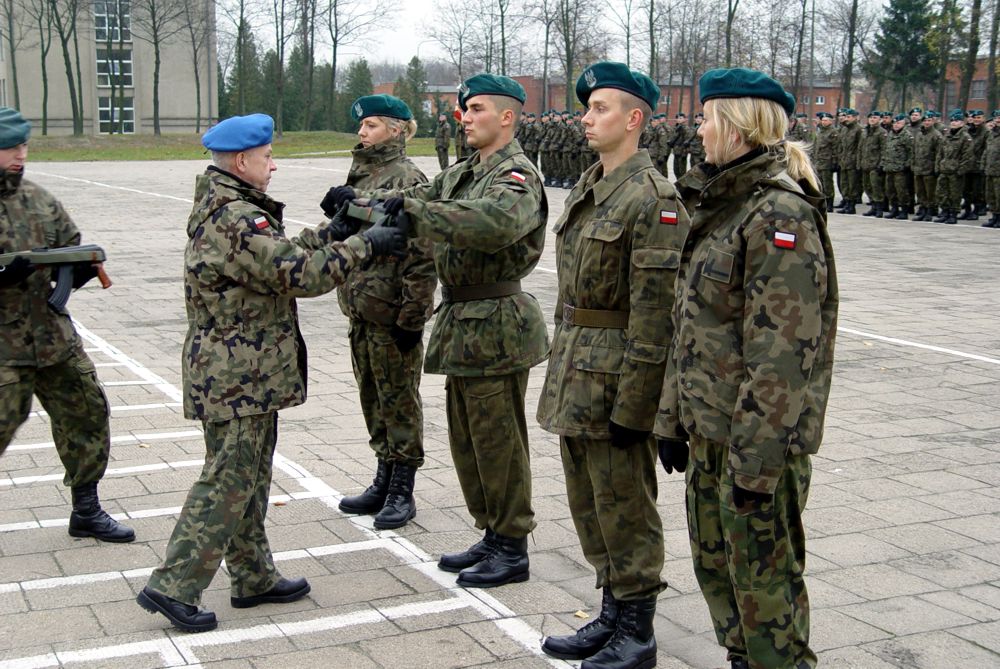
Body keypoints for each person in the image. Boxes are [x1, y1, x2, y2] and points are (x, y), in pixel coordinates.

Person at [137, 113, 405, 633]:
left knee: (250, 476)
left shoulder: (237, 209)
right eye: (267, 158)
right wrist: (366, 244)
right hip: (237, 374)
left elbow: (279, 256)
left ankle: (253, 575)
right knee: (228, 479)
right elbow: (299, 275)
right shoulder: (235, 216)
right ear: (242, 162)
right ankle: (173, 585)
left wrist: (337, 229)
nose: (274, 165)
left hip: (247, 371)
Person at [325, 74, 549, 589]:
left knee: (498, 442)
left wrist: (411, 211)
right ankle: (492, 532)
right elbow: (409, 202)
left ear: (507, 116)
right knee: (469, 441)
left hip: (497, 321)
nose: (464, 117)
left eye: (475, 109)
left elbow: (492, 223)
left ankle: (512, 544)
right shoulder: (463, 172)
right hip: (464, 323)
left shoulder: (514, 176)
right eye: (463, 109)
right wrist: (355, 206)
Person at [654, 68, 838, 669]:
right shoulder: (721, 206)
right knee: (718, 574)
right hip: (710, 430)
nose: (698, 127)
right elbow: (688, 326)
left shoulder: (777, 217)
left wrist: (755, 466)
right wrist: (670, 417)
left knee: (765, 596)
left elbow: (782, 358)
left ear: (736, 126)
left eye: (707, 117)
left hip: (752, 444)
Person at [536, 61, 690, 669]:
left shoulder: (653, 199)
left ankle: (638, 629)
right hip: (576, 370)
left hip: (617, 379)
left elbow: (657, 317)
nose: (586, 116)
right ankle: (610, 610)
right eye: (587, 107)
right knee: (588, 501)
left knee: (625, 505)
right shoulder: (589, 185)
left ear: (634, 119)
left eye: (600, 107)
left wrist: (639, 406)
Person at [0, 106, 135, 544]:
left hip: (55, 337)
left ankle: (87, 509)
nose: (20, 154)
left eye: (23, 145)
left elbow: (71, 246)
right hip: (3, 347)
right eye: (10, 147)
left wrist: (74, 273)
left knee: (87, 414)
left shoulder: (39, 199)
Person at [330, 95, 436, 530]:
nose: (362, 133)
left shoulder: (409, 178)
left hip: (392, 314)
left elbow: (422, 252)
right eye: (362, 126)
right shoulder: (365, 173)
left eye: (371, 125)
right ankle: (383, 475)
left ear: (395, 129)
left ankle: (402, 489)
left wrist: (413, 315)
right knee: (372, 396)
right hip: (362, 309)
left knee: (399, 402)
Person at [934, 110, 975, 225]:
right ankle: (945, 212)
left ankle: (953, 214)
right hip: (944, 169)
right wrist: (938, 166)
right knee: (942, 192)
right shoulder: (946, 136)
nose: (953, 123)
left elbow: (968, 156)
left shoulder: (965, 137)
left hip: (955, 171)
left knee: (955, 194)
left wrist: (960, 171)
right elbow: (940, 153)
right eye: (952, 120)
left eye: (956, 121)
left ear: (962, 123)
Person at [912, 111, 942, 221]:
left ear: (933, 121)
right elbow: (914, 151)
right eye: (925, 120)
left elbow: (939, 153)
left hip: (929, 168)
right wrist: (913, 164)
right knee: (920, 191)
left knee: (930, 192)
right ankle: (923, 209)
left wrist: (936, 167)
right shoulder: (919, 134)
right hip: (919, 167)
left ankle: (930, 210)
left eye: (929, 120)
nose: (927, 122)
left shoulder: (936, 135)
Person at [883, 114, 914, 219]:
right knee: (890, 190)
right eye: (895, 123)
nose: (896, 125)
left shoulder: (906, 135)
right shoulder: (890, 134)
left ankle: (904, 210)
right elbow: (886, 150)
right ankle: (894, 209)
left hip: (900, 169)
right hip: (889, 167)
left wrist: (907, 165)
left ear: (904, 124)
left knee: (901, 191)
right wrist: (884, 163)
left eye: (899, 123)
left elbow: (911, 152)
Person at [961, 110, 987, 220]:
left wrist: (983, 164)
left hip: (978, 166)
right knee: (965, 190)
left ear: (983, 119)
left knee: (977, 191)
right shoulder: (968, 130)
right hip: (967, 165)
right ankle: (967, 211)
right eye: (975, 117)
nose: (976, 120)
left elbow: (986, 149)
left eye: (979, 118)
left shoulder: (986, 132)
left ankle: (976, 211)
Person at [835, 108, 862, 214]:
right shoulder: (844, 129)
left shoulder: (858, 129)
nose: (846, 119)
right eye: (846, 117)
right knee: (844, 184)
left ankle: (852, 206)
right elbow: (841, 146)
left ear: (855, 118)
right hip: (844, 162)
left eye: (849, 117)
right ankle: (846, 203)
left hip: (853, 162)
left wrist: (858, 162)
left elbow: (860, 147)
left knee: (852, 185)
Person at [860, 110, 887, 217]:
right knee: (867, 186)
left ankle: (879, 208)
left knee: (877, 187)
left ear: (879, 120)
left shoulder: (881, 132)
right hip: (865, 164)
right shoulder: (865, 131)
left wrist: (881, 164)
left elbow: (884, 149)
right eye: (871, 118)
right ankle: (873, 206)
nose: (872, 119)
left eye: (875, 118)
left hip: (875, 165)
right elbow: (861, 148)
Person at [812, 112, 839, 212]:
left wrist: (835, 161)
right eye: (822, 120)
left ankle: (829, 203)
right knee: (820, 183)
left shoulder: (833, 132)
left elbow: (835, 148)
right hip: (819, 161)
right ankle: (822, 202)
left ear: (830, 121)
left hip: (827, 162)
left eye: (826, 120)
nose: (824, 122)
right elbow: (816, 147)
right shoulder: (820, 131)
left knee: (828, 184)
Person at [983, 110, 1000, 228]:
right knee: (991, 194)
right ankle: (994, 216)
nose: (998, 120)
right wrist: (984, 164)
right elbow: (986, 151)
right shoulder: (991, 134)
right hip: (990, 169)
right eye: (996, 118)